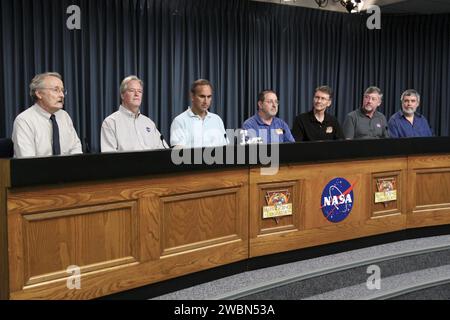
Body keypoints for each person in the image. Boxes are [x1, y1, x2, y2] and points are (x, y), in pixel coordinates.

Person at [12, 72, 82, 158]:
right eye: (56, 90)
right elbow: (27, 161)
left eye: (62, 91)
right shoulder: (24, 120)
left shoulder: (64, 116)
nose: (62, 95)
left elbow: (76, 149)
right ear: (39, 93)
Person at [101, 76, 169, 152]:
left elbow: (164, 151)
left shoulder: (148, 122)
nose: (137, 94)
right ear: (122, 95)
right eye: (132, 90)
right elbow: (109, 158)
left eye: (140, 91)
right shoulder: (111, 122)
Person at [170, 79, 227, 148]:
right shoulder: (180, 121)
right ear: (192, 96)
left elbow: (225, 148)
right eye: (202, 96)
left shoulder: (217, 120)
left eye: (209, 97)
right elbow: (179, 155)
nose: (206, 101)